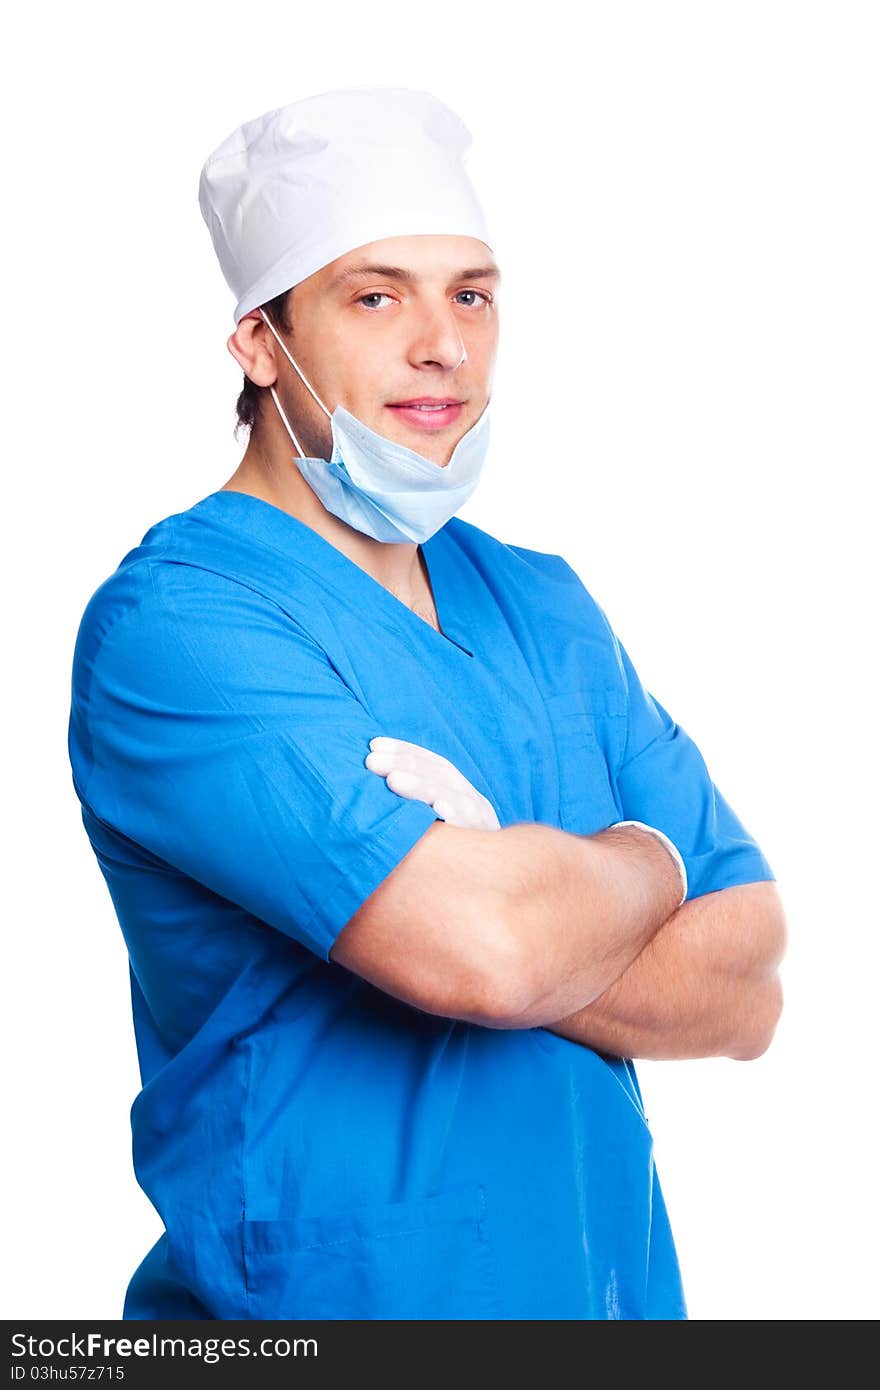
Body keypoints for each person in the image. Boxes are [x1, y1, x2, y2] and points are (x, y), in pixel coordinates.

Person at [67, 87, 786, 1321]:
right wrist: (650, 858)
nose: (442, 345)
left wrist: (520, 878)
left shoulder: (540, 603)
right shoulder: (182, 628)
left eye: (470, 294)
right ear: (257, 343)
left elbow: (750, 988)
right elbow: (487, 952)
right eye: (374, 294)